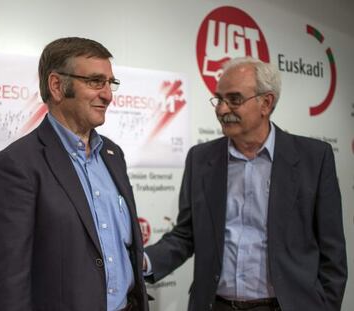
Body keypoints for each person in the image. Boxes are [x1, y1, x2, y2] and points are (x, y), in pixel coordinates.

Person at [144, 56, 347, 311]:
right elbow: (186, 234)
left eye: (234, 99)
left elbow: (333, 253)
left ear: (266, 102)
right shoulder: (201, 159)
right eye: (219, 99)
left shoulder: (314, 158)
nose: (221, 109)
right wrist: (144, 261)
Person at [0, 37, 149, 311]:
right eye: (96, 81)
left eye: (110, 83)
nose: (108, 94)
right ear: (57, 86)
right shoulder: (16, 165)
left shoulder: (113, 154)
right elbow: (7, 282)